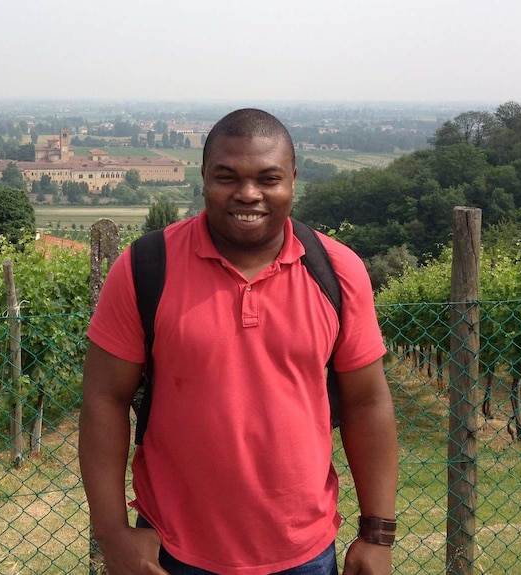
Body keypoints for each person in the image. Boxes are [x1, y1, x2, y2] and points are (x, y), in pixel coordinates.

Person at [79, 108, 398, 575]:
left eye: (268, 179)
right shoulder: (146, 267)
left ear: (293, 179)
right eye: (227, 177)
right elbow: (103, 400)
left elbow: (368, 403)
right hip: (172, 553)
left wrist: (378, 536)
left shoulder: (338, 271)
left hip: (305, 554)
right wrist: (112, 537)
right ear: (203, 178)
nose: (248, 194)